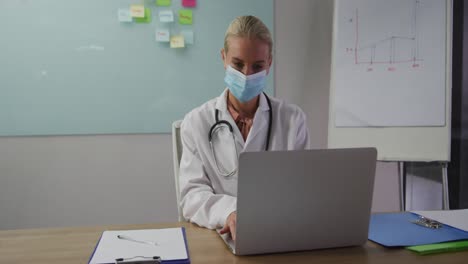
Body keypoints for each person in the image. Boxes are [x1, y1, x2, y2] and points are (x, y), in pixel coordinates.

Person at [179, 15, 310, 241]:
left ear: (269, 63)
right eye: (238, 64)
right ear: (223, 57)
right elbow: (191, 196)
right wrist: (230, 211)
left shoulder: (292, 120)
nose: (247, 75)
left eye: (257, 66)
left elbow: (303, 189)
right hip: (218, 237)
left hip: (278, 234)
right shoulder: (196, 122)